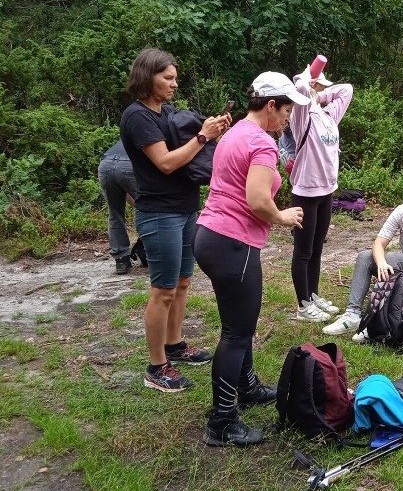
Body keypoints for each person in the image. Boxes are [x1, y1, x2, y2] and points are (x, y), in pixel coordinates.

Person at [193, 71, 308, 446]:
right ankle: (222, 422)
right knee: (237, 333)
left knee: (235, 326)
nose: (288, 119)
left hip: (211, 235)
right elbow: (258, 201)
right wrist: (283, 216)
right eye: (287, 110)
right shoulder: (261, 142)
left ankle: (246, 386)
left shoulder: (235, 133)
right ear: (270, 105)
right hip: (233, 242)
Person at [120, 48, 231, 393]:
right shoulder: (137, 117)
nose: (174, 83)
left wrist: (213, 129)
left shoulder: (167, 112)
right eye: (167, 77)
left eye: (175, 77)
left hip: (184, 207)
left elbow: (192, 153)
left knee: (182, 282)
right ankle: (156, 367)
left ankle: (175, 344)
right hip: (158, 212)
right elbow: (166, 162)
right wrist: (204, 136)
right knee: (163, 290)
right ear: (146, 76)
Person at [323, 181, 403, 340]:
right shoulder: (402, 212)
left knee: (393, 258)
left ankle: (377, 323)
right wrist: (380, 264)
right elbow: (379, 243)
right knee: (365, 257)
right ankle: (352, 314)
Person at [288, 65, 353, 321]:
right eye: (319, 86)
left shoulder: (328, 116)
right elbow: (301, 88)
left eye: (323, 87)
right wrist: (310, 78)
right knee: (302, 251)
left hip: (327, 191)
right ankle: (303, 306)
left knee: (317, 248)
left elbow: (347, 90)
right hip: (306, 192)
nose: (322, 90)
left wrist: (321, 95)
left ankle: (312, 295)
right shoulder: (302, 116)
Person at [97, 140, 138, 274]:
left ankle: (121, 260)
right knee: (152, 210)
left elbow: (123, 189)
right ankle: (149, 253)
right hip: (130, 163)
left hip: (106, 164)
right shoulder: (156, 136)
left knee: (115, 213)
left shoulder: (129, 134)